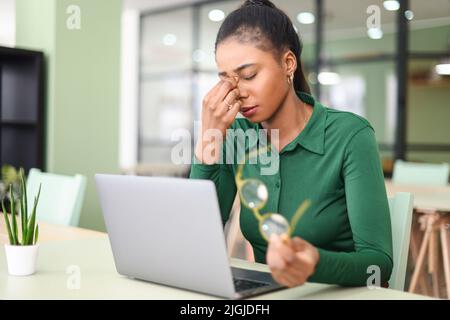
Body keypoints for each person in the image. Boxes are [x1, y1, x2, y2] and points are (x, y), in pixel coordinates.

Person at [189, 0, 393, 288]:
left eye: (249, 75)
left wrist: (315, 263)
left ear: (288, 63)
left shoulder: (350, 135)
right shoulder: (237, 134)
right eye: (226, 80)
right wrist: (207, 144)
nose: (238, 92)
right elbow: (196, 239)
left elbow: (378, 264)